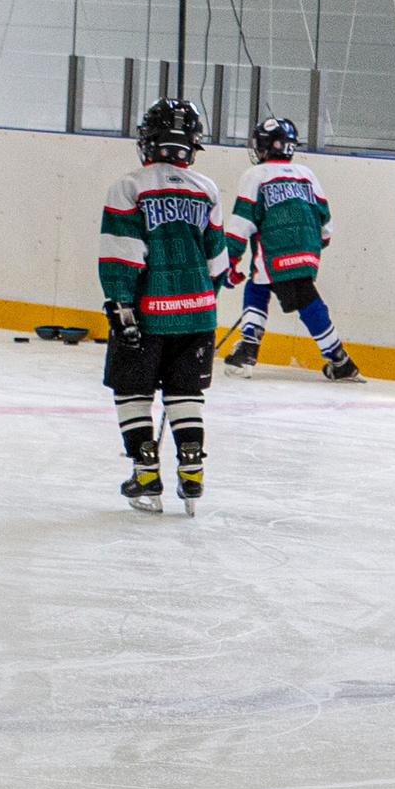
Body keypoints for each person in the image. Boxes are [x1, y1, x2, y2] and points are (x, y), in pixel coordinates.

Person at [99, 98, 227, 515]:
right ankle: (192, 472)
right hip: (198, 313)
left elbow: (123, 254)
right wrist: (201, 304)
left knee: (132, 389)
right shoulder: (206, 189)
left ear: (148, 141)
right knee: (185, 392)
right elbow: (218, 264)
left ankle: (146, 472)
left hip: (148, 313)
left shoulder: (130, 185)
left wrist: (121, 306)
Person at [217, 116, 359, 382]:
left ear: (267, 147)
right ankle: (337, 359)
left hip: (275, 250)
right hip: (308, 249)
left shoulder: (255, 175)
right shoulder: (307, 175)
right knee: (274, 287)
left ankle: (251, 348)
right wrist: (312, 246)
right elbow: (325, 222)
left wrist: (229, 261)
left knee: (267, 286)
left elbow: (242, 222)